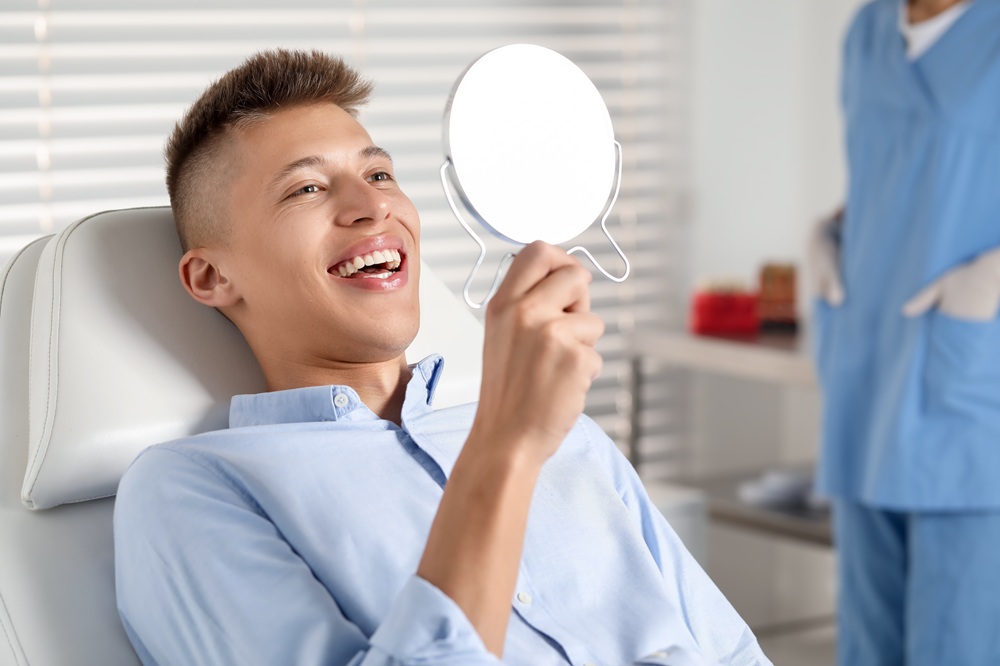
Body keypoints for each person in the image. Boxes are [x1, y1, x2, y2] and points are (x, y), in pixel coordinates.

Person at [112, 49, 769, 665]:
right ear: (210, 278)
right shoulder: (188, 488)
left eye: (379, 174)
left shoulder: (575, 444)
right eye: (307, 189)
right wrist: (507, 445)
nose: (374, 207)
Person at [809, 0, 1000, 663]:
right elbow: (895, 172)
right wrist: (832, 232)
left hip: (970, 389)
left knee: (957, 647)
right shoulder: (868, 30)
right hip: (867, 372)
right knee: (865, 645)